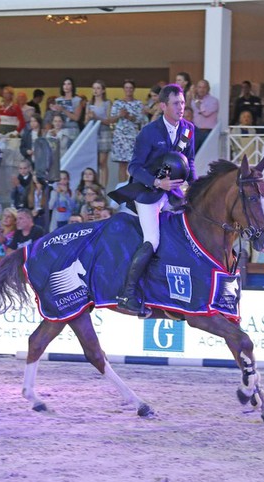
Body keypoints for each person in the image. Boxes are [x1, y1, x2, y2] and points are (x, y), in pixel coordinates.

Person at [110, 83, 196, 316]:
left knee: (187, 233)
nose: (181, 107)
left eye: (183, 103)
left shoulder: (188, 129)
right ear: (163, 106)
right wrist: (158, 183)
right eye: (176, 103)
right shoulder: (148, 132)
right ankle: (127, 295)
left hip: (173, 194)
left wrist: (195, 191)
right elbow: (134, 167)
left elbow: (191, 162)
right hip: (148, 194)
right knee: (153, 240)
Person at [111, 79, 144, 182]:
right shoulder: (117, 103)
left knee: (131, 163)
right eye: (126, 88)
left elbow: (139, 119)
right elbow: (112, 119)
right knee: (121, 164)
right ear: (123, 89)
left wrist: (128, 116)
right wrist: (119, 115)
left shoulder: (138, 103)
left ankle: (130, 186)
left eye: (130, 88)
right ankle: (121, 186)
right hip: (120, 136)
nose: (128, 90)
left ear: (134, 89)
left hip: (132, 136)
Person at [85, 80, 113, 188]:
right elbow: (85, 121)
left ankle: (103, 187)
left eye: (98, 88)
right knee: (94, 161)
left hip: (104, 131)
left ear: (103, 90)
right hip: (92, 132)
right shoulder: (89, 103)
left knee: (102, 162)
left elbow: (108, 120)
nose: (95, 91)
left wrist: (96, 117)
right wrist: (88, 117)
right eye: (94, 88)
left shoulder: (107, 103)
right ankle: (94, 185)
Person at [45, 77, 83, 143]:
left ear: (72, 86)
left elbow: (76, 118)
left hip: (72, 128)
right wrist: (54, 109)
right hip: (60, 128)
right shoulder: (58, 100)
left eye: (68, 84)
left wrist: (63, 110)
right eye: (64, 84)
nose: (66, 86)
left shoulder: (77, 100)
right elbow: (56, 116)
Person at [191, 79, 219, 150]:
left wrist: (197, 102)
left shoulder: (214, 101)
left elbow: (206, 113)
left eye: (204, 87)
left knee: (207, 154)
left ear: (208, 89)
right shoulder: (193, 101)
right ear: (196, 88)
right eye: (199, 87)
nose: (201, 90)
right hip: (196, 131)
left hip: (208, 132)